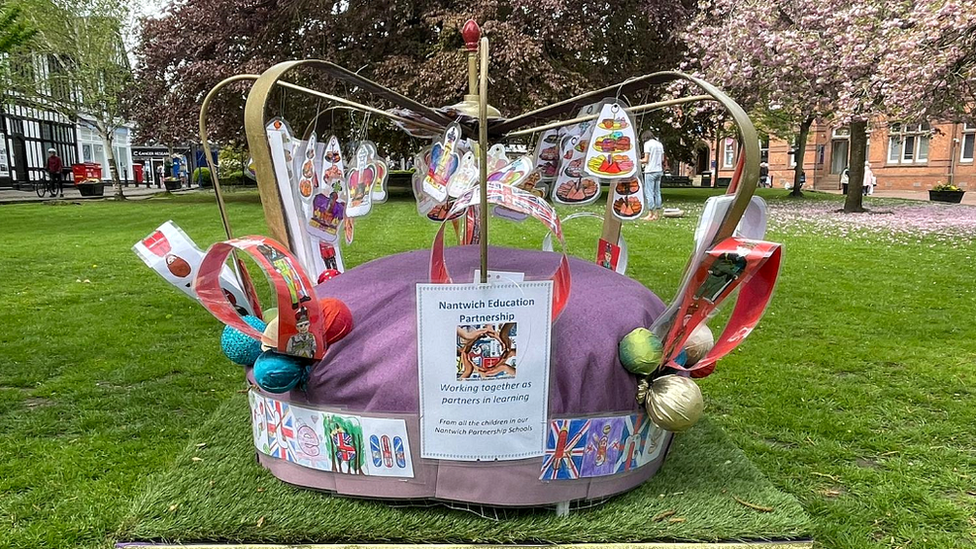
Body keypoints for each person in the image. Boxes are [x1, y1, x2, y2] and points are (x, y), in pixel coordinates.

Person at [640, 130, 664, 221]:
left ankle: (650, 214)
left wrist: (637, 160)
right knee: (657, 192)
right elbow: (662, 159)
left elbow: (646, 160)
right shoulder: (659, 144)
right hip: (659, 170)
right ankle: (657, 214)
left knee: (649, 192)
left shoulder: (647, 144)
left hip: (650, 171)